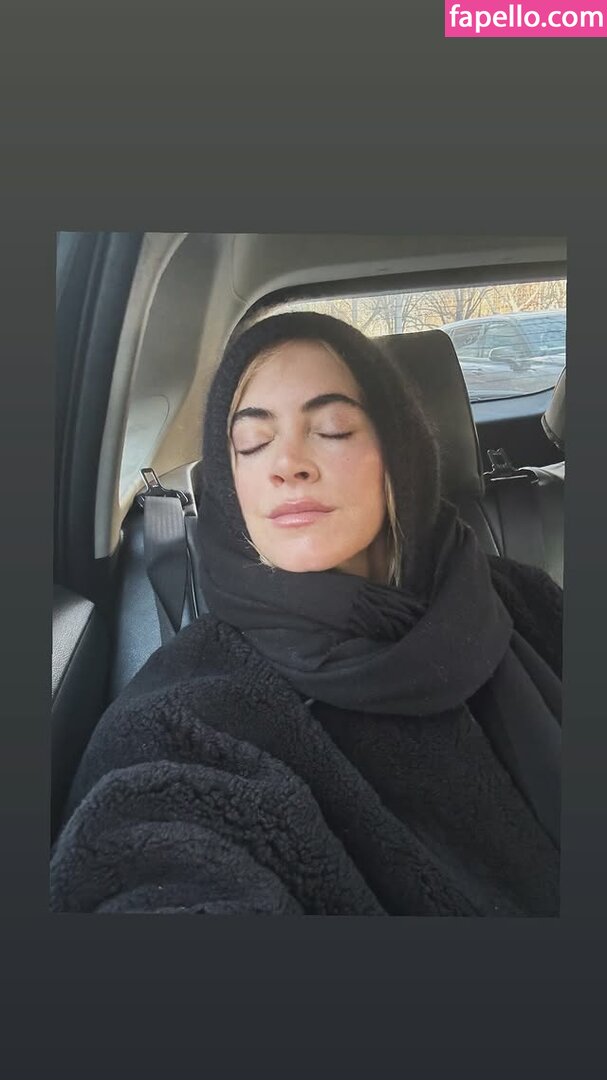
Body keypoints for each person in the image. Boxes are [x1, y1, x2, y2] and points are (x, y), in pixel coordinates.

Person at [50, 312, 561, 915]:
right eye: (252, 442)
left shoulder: (526, 601)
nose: (286, 463)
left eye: (333, 429)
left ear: (399, 454)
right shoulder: (183, 719)